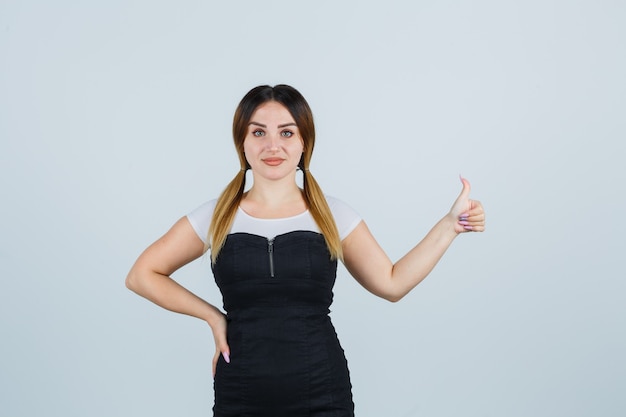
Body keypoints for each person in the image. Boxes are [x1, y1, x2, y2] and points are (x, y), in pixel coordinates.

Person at [125, 84, 485, 417]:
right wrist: (213, 316)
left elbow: (392, 283)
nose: (272, 146)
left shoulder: (333, 214)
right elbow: (142, 275)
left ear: (303, 142)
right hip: (241, 392)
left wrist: (449, 226)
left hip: (322, 391)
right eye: (258, 132)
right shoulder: (216, 215)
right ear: (243, 142)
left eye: (286, 132)